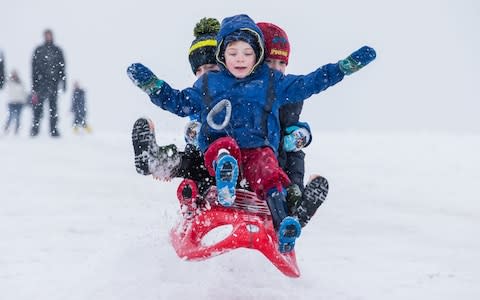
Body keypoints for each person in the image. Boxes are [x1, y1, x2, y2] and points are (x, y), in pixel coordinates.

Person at [127, 14, 376, 252]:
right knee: (219, 149)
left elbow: (310, 83)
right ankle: (203, 183)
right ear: (222, 55)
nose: (240, 59)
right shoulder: (211, 85)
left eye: (248, 53)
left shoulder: (273, 84)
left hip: (262, 153)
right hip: (219, 156)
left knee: (271, 167)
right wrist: (154, 87)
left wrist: (343, 68)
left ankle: (286, 219)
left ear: (256, 55)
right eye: (233, 53)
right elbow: (178, 101)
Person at [257, 22, 326, 227]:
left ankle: (296, 200)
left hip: (278, 163)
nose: (277, 69)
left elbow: (292, 132)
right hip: (252, 164)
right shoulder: (244, 91)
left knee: (294, 152)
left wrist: (300, 135)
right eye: (269, 61)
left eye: (281, 63)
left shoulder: (290, 95)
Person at [31, 29, 66, 137]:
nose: (48, 37)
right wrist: (34, 85)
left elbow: (62, 67)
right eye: (46, 35)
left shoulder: (57, 50)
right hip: (40, 84)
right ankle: (35, 128)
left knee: (53, 108)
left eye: (49, 35)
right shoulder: (39, 50)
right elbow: (33, 69)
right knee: (38, 108)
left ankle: (53, 129)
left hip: (53, 84)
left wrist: (63, 82)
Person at [3, 70, 29, 135]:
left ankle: (16, 130)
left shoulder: (21, 83)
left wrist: (25, 100)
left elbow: (24, 93)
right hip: (11, 102)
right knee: (11, 116)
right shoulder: (9, 83)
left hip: (19, 102)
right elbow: (7, 92)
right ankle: (7, 128)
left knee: (18, 117)